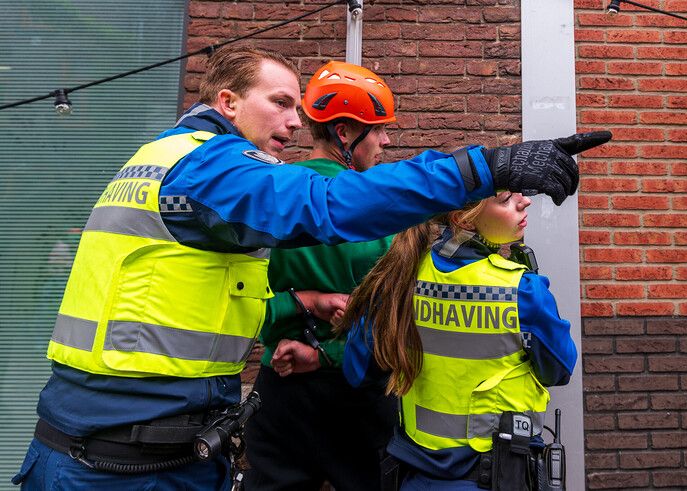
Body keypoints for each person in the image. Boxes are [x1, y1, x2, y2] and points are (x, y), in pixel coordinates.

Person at [11, 39, 607, 490]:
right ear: (226, 102)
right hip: (123, 463)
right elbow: (325, 205)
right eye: (280, 104)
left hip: (137, 443)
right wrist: (485, 168)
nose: (296, 122)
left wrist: (295, 307)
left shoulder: (161, 158)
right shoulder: (208, 167)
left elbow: (200, 300)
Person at [340, 191, 578, 490]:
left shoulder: (400, 277)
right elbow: (559, 370)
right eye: (505, 199)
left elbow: (358, 371)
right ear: (462, 219)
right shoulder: (523, 290)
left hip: (416, 478)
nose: (524, 201)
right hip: (496, 477)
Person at [243, 61, 399, 490]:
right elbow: (390, 319)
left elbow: (243, 304)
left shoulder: (268, 196)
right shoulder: (377, 208)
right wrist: (328, 354)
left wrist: (295, 309)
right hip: (356, 392)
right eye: (378, 129)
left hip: (280, 390)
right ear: (345, 134)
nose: (385, 141)